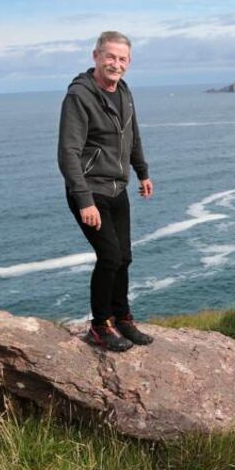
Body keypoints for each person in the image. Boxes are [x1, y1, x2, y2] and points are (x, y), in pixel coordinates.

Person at [58, 31, 155, 352]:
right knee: (110, 257)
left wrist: (142, 172)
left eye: (122, 59)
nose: (116, 64)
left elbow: (133, 136)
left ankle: (122, 318)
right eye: (110, 57)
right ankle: (100, 325)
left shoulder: (124, 91)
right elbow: (68, 152)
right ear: (96, 57)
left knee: (124, 257)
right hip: (90, 191)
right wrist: (84, 200)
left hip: (117, 188)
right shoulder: (80, 96)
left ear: (129, 62)